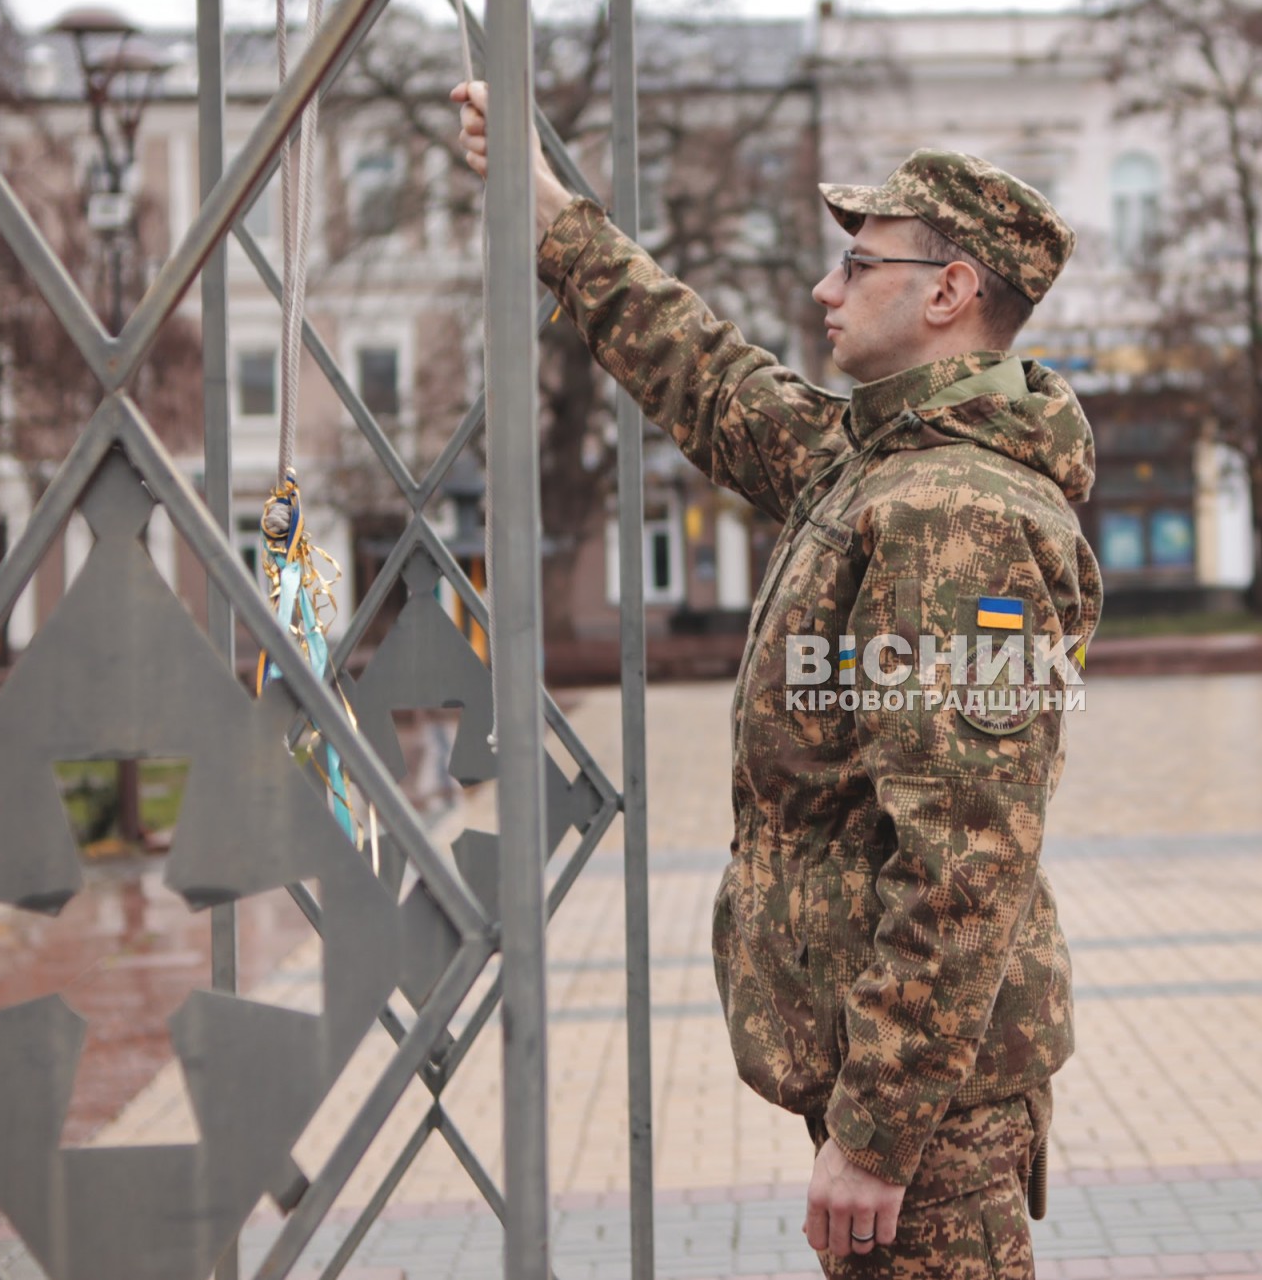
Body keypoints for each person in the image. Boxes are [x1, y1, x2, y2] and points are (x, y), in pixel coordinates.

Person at [454, 82, 1101, 1279]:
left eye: (857, 264)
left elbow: (966, 856)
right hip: (905, 1092)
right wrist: (551, 219)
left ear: (949, 292)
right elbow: (710, 379)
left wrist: (877, 1134)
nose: (825, 288)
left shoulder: (951, 507)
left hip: (927, 1123)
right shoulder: (881, 462)